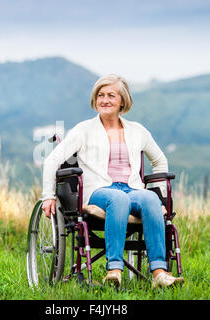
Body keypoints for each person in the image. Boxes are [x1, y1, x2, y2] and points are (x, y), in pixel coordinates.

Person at [41, 74, 184, 288]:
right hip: (98, 192)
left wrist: (160, 194)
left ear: (122, 101)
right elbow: (52, 160)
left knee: (150, 200)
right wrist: (48, 196)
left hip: (132, 189)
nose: (105, 100)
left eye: (111, 95)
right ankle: (114, 271)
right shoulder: (83, 129)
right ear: (94, 99)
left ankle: (160, 274)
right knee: (118, 199)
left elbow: (160, 160)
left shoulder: (137, 130)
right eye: (100, 95)